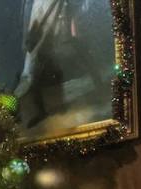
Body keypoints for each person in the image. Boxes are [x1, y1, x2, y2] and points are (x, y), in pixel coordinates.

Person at [14, 0, 109, 130]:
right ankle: (100, 88)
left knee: (34, 74)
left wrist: (30, 40)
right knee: (37, 74)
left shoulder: (38, 3)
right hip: (55, 36)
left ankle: (100, 89)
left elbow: (36, 19)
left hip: (50, 38)